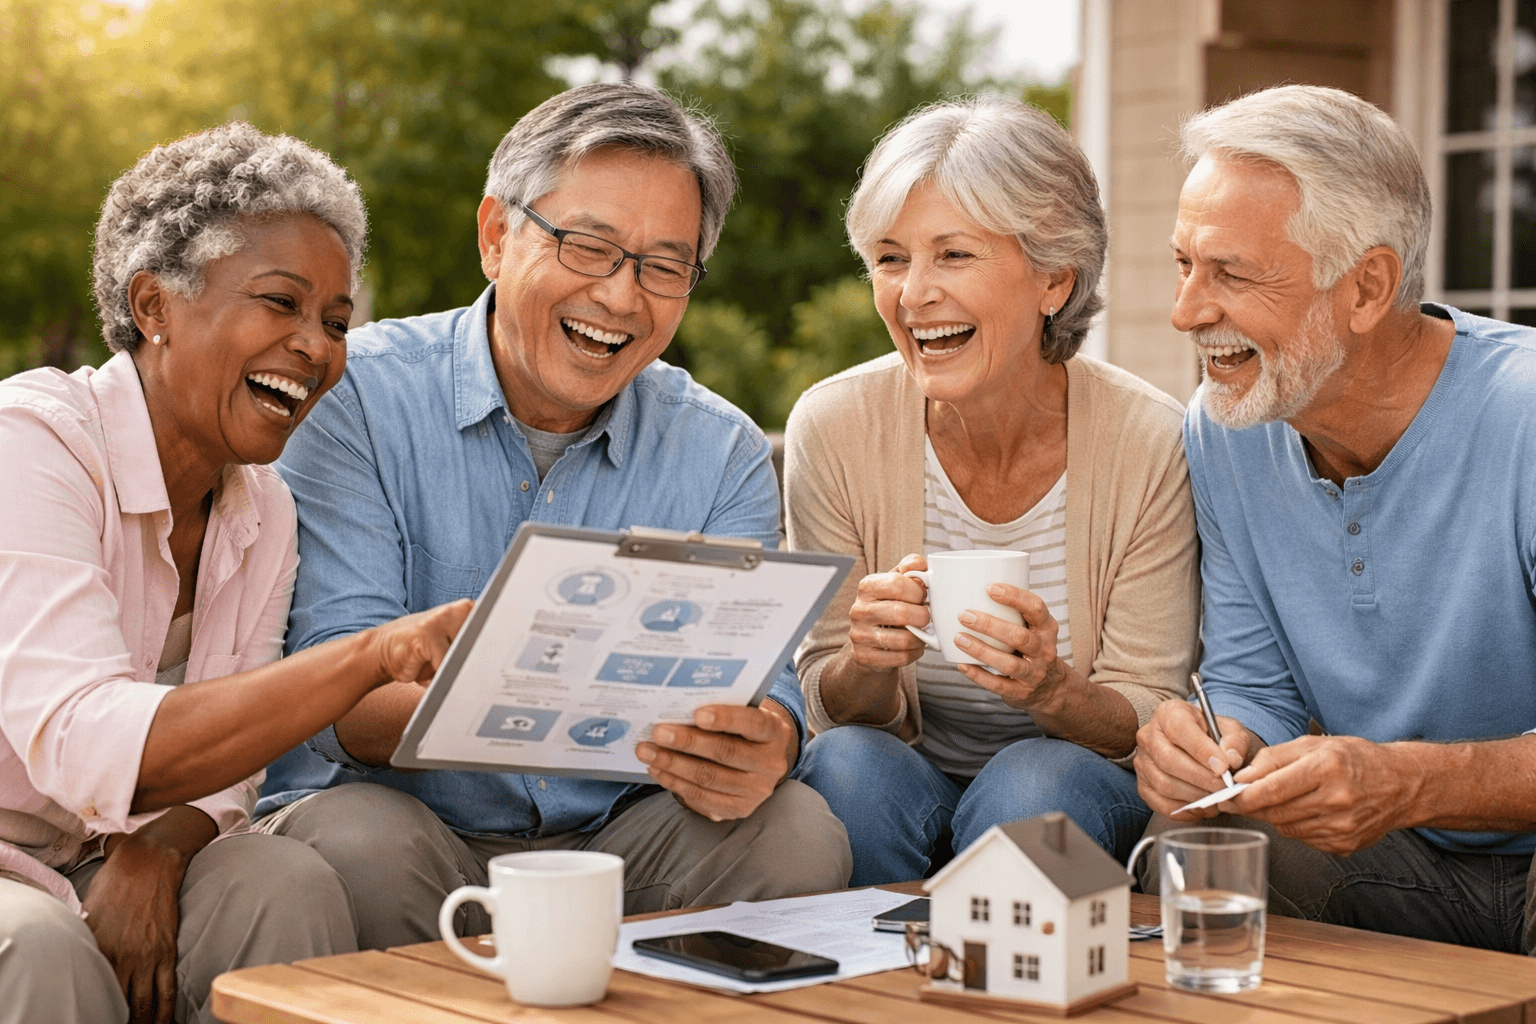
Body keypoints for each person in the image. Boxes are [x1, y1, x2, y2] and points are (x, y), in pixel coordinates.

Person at [255, 82, 851, 950]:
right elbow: (336, 693)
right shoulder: (358, 399)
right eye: (589, 246)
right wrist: (513, 688)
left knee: (796, 831)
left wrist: (767, 737)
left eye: (663, 266)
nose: (620, 297)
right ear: (497, 235)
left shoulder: (720, 448)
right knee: (358, 847)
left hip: (622, 837)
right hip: (410, 825)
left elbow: (766, 684)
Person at [0, 123, 471, 1024]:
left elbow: (228, 774)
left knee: (280, 879)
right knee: (41, 946)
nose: (317, 346)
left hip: (95, 847)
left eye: (336, 321)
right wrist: (371, 656)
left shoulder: (264, 509)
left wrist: (158, 852)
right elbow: (88, 742)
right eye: (281, 303)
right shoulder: (32, 443)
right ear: (154, 307)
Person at [1134, 84, 1536, 953]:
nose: (1186, 312)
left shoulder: (1528, 415)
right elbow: (1253, 686)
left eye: (1231, 273)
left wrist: (1415, 781)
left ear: (1367, 287)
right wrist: (1217, 743)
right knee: (1197, 846)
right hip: (1400, 863)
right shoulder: (1228, 426)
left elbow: (1407, 783)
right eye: (1183, 264)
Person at [786, 96, 1199, 886]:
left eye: (954, 256)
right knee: (847, 768)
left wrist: (1053, 690)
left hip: (1076, 782)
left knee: (1033, 785)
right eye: (890, 258)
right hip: (901, 779)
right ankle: (874, 996)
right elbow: (827, 703)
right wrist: (868, 663)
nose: (912, 296)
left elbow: (1144, 714)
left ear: (1054, 278)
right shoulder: (835, 425)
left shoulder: (1149, 440)